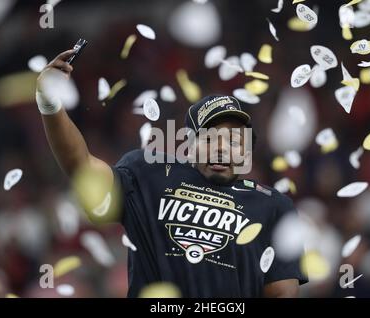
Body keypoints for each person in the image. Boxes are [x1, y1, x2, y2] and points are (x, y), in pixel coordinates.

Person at [36, 49, 307, 298]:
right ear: (188, 145)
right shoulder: (148, 175)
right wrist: (49, 104)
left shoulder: (273, 205)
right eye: (210, 139)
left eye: (235, 140)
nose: (222, 149)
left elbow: (283, 292)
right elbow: (82, 168)